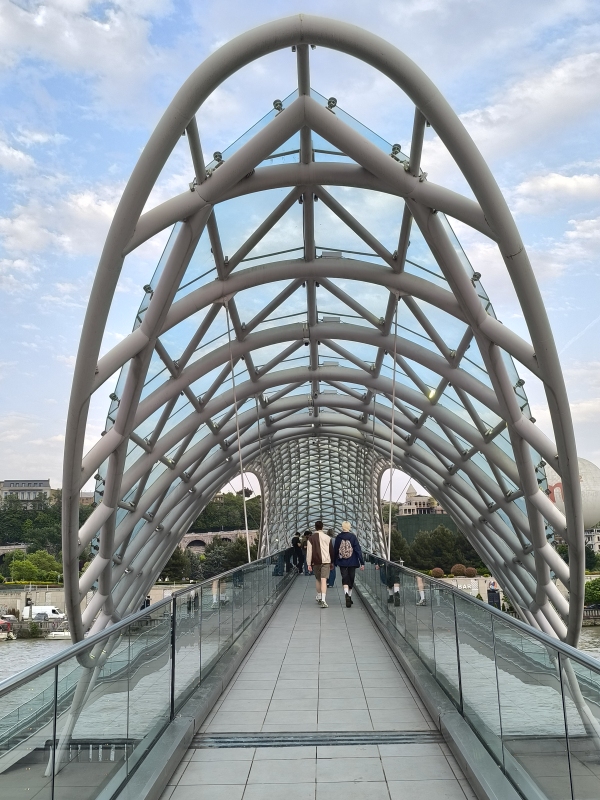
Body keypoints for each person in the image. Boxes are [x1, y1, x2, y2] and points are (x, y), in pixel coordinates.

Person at [333, 521, 364, 608]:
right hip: (352, 561)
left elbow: (335, 550)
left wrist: (334, 561)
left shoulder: (338, 537)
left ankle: (346, 594)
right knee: (351, 579)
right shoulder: (353, 537)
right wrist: (362, 562)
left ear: (342, 527)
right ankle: (349, 596)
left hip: (342, 561)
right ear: (349, 527)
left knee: (345, 579)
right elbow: (358, 550)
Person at [306, 520, 334, 608]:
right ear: (322, 527)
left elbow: (309, 552)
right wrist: (332, 562)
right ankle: (323, 600)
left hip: (316, 562)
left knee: (318, 579)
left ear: (315, 527)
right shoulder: (327, 537)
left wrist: (309, 564)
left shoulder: (311, 538)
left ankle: (318, 595)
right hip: (326, 561)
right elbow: (331, 551)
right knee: (324, 580)